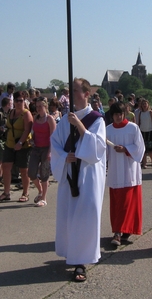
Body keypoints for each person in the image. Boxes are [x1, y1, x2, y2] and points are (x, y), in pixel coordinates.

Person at [50, 78, 106, 282]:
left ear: (87, 93)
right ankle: (71, 253)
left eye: (75, 91)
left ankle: (81, 261)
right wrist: (65, 156)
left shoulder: (97, 119)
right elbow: (55, 144)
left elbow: (97, 148)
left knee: (85, 216)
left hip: (88, 176)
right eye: (70, 91)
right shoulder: (65, 120)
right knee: (69, 215)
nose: (72, 95)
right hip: (69, 174)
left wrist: (80, 125)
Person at [106, 101, 145, 246]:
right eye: (115, 114)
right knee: (117, 203)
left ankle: (124, 231)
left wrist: (126, 149)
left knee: (128, 203)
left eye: (120, 114)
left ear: (124, 114)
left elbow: (140, 148)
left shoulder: (133, 128)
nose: (118, 117)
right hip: (115, 171)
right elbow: (103, 150)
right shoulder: (108, 130)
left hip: (130, 171)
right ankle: (118, 231)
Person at [0, 91, 33, 202]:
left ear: (24, 101)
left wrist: (20, 143)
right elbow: (8, 125)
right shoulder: (11, 112)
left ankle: (25, 193)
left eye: (20, 100)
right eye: (16, 100)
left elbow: (27, 130)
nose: (18, 103)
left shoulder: (26, 114)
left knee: (23, 169)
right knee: (6, 167)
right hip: (10, 143)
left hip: (23, 145)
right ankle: (6, 192)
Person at [29, 98, 56, 207]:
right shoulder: (35, 118)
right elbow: (33, 132)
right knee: (31, 172)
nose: (38, 108)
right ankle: (40, 191)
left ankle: (43, 198)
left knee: (44, 174)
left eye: (41, 106)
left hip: (46, 148)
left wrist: (50, 152)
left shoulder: (49, 119)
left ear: (45, 107)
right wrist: (31, 140)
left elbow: (53, 137)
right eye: (37, 106)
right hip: (36, 148)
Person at [136, 99, 152, 169]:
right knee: (143, 149)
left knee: (151, 149)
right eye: (143, 104)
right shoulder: (140, 113)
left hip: (150, 131)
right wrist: (137, 133)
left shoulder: (150, 112)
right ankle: (144, 163)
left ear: (148, 105)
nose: (144, 105)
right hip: (142, 132)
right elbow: (139, 123)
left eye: (145, 104)